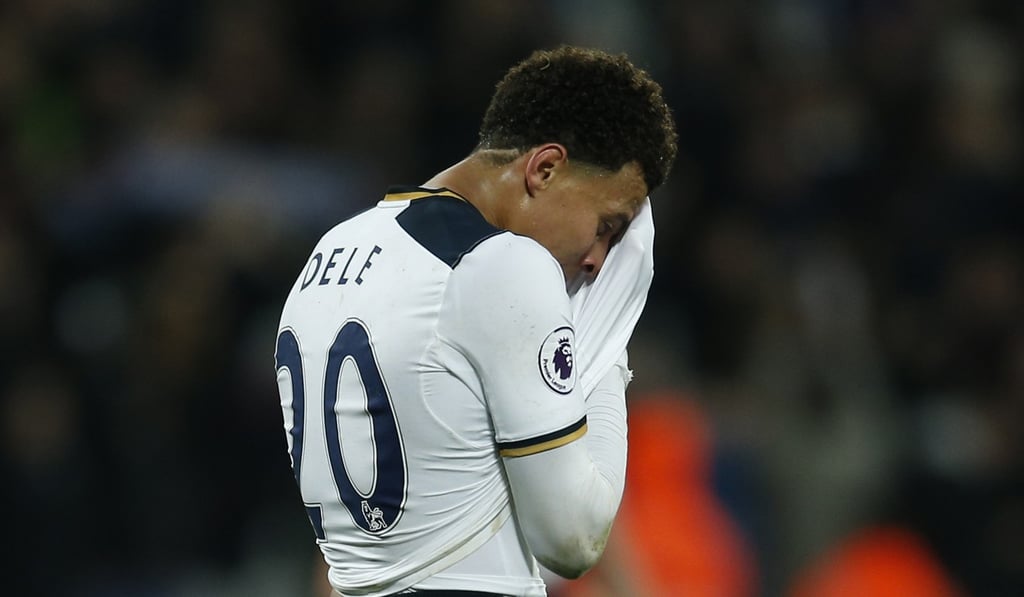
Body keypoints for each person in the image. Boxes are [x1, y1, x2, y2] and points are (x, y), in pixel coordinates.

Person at [274, 45, 677, 597]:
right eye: (608, 225)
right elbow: (573, 539)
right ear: (546, 168)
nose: (597, 261)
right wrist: (606, 344)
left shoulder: (330, 250)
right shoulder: (500, 267)